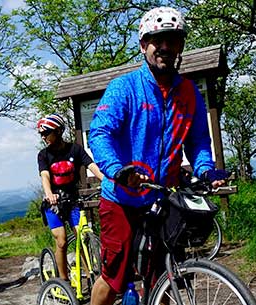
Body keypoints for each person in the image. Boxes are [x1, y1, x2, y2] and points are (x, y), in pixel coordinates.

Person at [87, 7, 229, 305]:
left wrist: (204, 169)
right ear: (144, 45)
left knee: (164, 277)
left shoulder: (189, 93)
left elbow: (199, 140)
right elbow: (100, 134)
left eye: (173, 40)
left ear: (180, 46)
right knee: (115, 277)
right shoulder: (124, 88)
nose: (165, 47)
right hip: (121, 199)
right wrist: (118, 169)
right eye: (158, 40)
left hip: (163, 198)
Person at [36, 114, 104, 282]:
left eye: (47, 133)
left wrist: (107, 181)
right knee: (62, 241)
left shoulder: (75, 149)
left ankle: (91, 277)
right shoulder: (43, 155)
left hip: (72, 202)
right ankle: (64, 281)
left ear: (58, 131)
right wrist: (49, 193)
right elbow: (44, 176)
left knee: (82, 237)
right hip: (53, 205)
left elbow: (92, 166)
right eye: (41, 134)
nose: (44, 137)